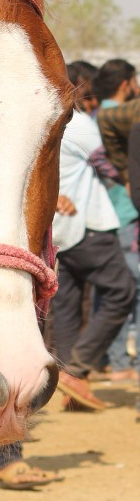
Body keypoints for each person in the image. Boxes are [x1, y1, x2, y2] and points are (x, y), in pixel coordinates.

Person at [52, 98, 135, 409]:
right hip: (89, 224)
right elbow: (107, 164)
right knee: (121, 291)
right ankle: (79, 368)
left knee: (67, 305)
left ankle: (74, 391)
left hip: (60, 227)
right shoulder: (79, 123)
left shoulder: (45, 124)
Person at [93, 60, 140, 381]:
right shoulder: (119, 115)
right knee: (127, 288)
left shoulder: (99, 117)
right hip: (124, 211)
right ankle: (122, 361)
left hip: (111, 212)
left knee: (114, 287)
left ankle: (117, 359)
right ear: (126, 83)